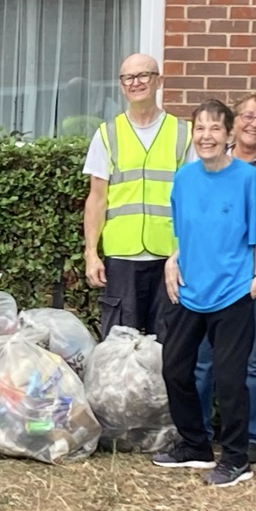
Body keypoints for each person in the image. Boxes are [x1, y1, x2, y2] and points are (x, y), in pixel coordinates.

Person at [155, 100, 256, 487]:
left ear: (229, 134)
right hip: (189, 291)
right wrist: (173, 260)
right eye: (200, 129)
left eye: (215, 128)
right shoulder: (184, 178)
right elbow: (183, 232)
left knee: (229, 379)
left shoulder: (245, 178)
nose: (207, 136)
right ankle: (195, 446)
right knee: (175, 369)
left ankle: (237, 459)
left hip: (233, 292)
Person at [193, 92, 256, 461]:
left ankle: (252, 439)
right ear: (234, 123)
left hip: (251, 283)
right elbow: (193, 218)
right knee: (202, 360)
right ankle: (199, 435)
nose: (254, 124)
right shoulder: (206, 162)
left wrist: (223, 235)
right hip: (206, 280)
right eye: (247, 116)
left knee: (253, 362)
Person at [82, 52, 189, 339]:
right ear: (121, 85)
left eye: (144, 75)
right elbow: (96, 198)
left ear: (159, 81)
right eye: (128, 77)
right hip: (122, 256)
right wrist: (91, 253)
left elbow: (194, 199)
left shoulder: (183, 133)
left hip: (169, 255)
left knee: (168, 345)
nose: (136, 83)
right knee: (119, 347)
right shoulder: (107, 134)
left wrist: (186, 250)